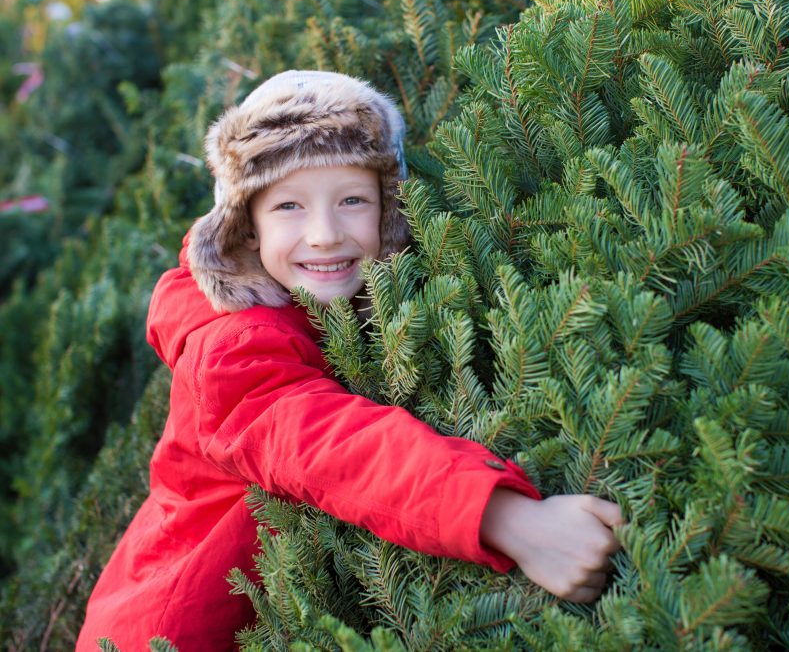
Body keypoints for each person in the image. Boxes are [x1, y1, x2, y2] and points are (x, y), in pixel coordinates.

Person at [77, 71, 624, 651]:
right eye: (288, 204)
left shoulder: (329, 298)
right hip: (170, 628)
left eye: (353, 200)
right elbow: (324, 443)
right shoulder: (230, 342)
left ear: (389, 211)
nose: (323, 233)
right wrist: (507, 519)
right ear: (244, 227)